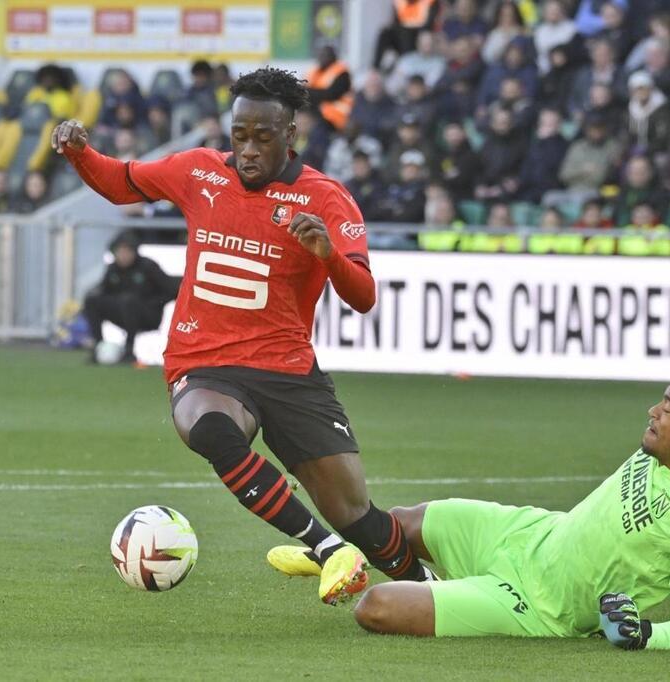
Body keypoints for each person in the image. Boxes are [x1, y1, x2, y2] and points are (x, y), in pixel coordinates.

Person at [52, 67, 437, 607]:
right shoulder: (200, 172)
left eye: (263, 137)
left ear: (290, 135)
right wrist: (80, 153)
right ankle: (327, 551)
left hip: (288, 371)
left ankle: (429, 590)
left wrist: (328, 256)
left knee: (356, 515)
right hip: (203, 360)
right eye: (240, 136)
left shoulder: (326, 198)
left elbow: (365, 294)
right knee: (209, 427)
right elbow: (122, 182)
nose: (249, 150)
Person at [353, 281, 670, 648]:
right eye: (662, 401)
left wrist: (641, 633)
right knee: (399, 524)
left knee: (376, 606)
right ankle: (432, 587)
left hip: (535, 605)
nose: (653, 412)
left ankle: (445, 594)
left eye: (667, 408)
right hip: (531, 535)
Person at [82, 231, 177, 364]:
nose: (123, 255)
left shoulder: (148, 267)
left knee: (129, 301)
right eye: (120, 251)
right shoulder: (113, 269)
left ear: (134, 251)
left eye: (127, 251)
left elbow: (173, 290)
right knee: (91, 300)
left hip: (148, 315)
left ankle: (128, 351)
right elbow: (104, 291)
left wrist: (154, 303)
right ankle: (99, 347)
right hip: (122, 312)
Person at [306, 46, 354, 131]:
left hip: (337, 117)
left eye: (325, 55)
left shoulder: (342, 73)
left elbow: (332, 94)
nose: (321, 58)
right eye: (320, 55)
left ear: (333, 57)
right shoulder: (315, 72)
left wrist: (307, 91)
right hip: (318, 113)